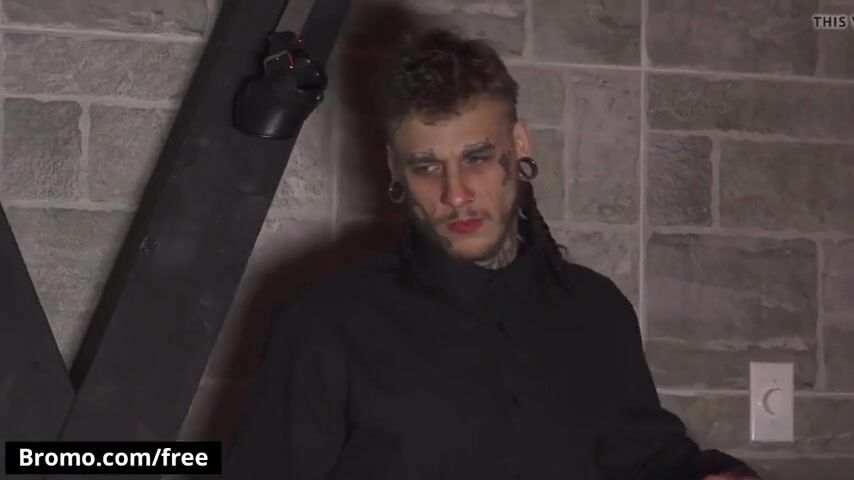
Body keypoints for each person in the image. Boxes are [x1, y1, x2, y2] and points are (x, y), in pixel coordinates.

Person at [223, 28, 761, 480]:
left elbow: (649, 461)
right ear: (394, 169)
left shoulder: (598, 311)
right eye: (426, 166)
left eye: (477, 158)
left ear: (520, 143)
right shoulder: (327, 326)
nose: (455, 193)